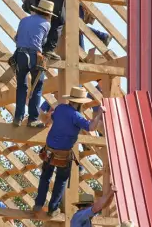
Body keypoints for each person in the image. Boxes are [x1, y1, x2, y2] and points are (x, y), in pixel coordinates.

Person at [35, 87, 102, 215]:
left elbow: (51, 118)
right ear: (80, 102)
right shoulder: (76, 116)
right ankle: (52, 208)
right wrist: (99, 114)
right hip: (62, 154)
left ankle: (38, 204)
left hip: (49, 150)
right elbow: (91, 127)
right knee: (61, 180)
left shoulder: (60, 108)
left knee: (45, 177)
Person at [11, 0, 54, 126]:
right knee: (37, 87)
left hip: (20, 55)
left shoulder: (23, 20)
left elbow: (16, 38)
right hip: (35, 56)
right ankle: (33, 119)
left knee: (21, 87)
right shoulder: (46, 24)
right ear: (48, 14)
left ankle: (18, 117)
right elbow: (43, 42)